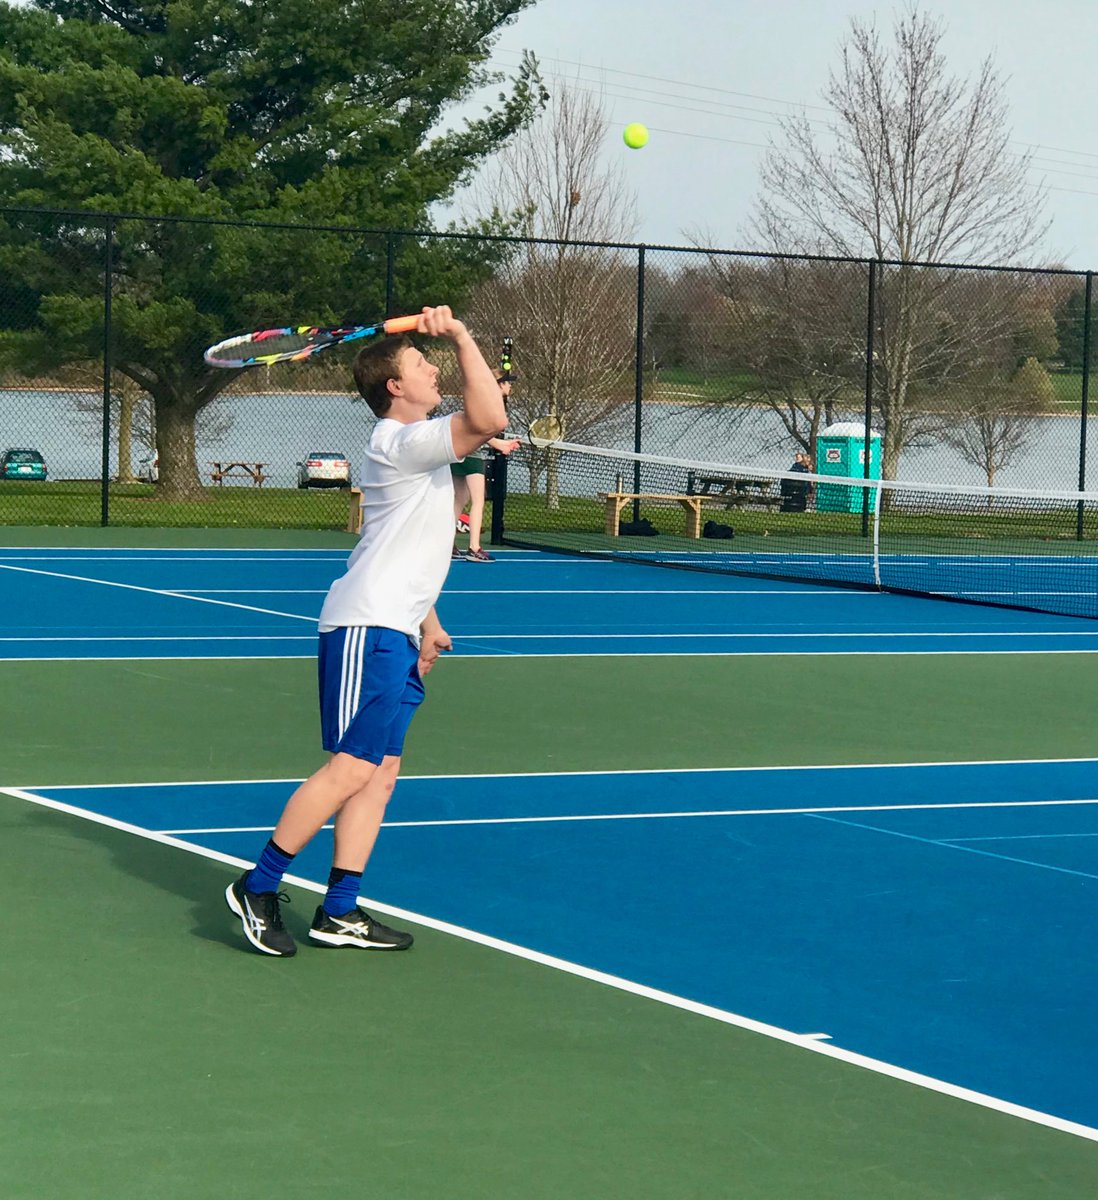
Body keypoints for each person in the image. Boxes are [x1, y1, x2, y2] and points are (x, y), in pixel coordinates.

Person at [225, 305, 507, 957]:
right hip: (365, 628)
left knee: (380, 773)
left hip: (396, 627)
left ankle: (340, 909)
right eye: (419, 362)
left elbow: (406, 542)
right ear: (394, 388)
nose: (432, 367)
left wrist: (427, 621)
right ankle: (258, 886)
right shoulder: (402, 441)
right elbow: (491, 419)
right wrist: (463, 333)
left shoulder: (421, 448)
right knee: (351, 768)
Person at [451, 370, 520, 562]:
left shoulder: (480, 399)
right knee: (478, 500)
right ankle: (474, 548)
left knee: (459, 500)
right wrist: (500, 444)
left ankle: (448, 544)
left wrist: (503, 444)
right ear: (498, 384)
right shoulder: (488, 403)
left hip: (458, 452)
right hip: (471, 454)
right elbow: (480, 429)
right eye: (506, 383)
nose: (510, 386)